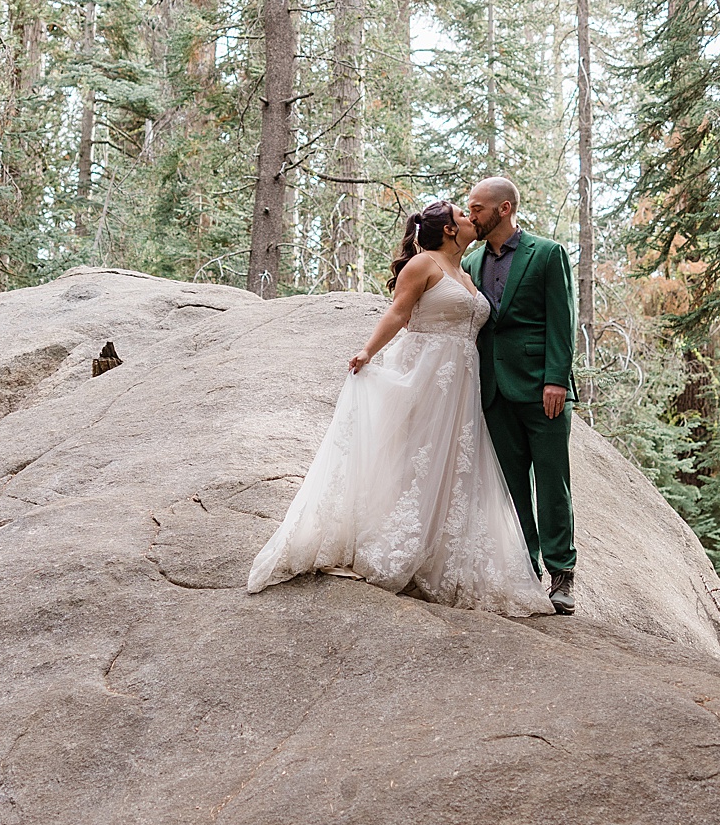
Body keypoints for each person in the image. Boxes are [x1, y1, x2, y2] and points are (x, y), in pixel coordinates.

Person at [246, 201, 553, 617]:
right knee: (417, 458)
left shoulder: (466, 272)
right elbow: (398, 312)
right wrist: (367, 351)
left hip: (461, 384)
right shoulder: (421, 265)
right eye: (464, 215)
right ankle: (401, 544)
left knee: (453, 465)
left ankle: (444, 551)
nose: (471, 219)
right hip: (425, 374)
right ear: (448, 229)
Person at [461, 176, 578, 614]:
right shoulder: (471, 262)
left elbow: (561, 321)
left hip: (540, 388)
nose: (471, 214)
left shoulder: (547, 254)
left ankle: (562, 574)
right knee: (510, 487)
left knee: (552, 483)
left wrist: (556, 381)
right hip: (493, 389)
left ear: (504, 209)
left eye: (477, 207)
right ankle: (526, 569)